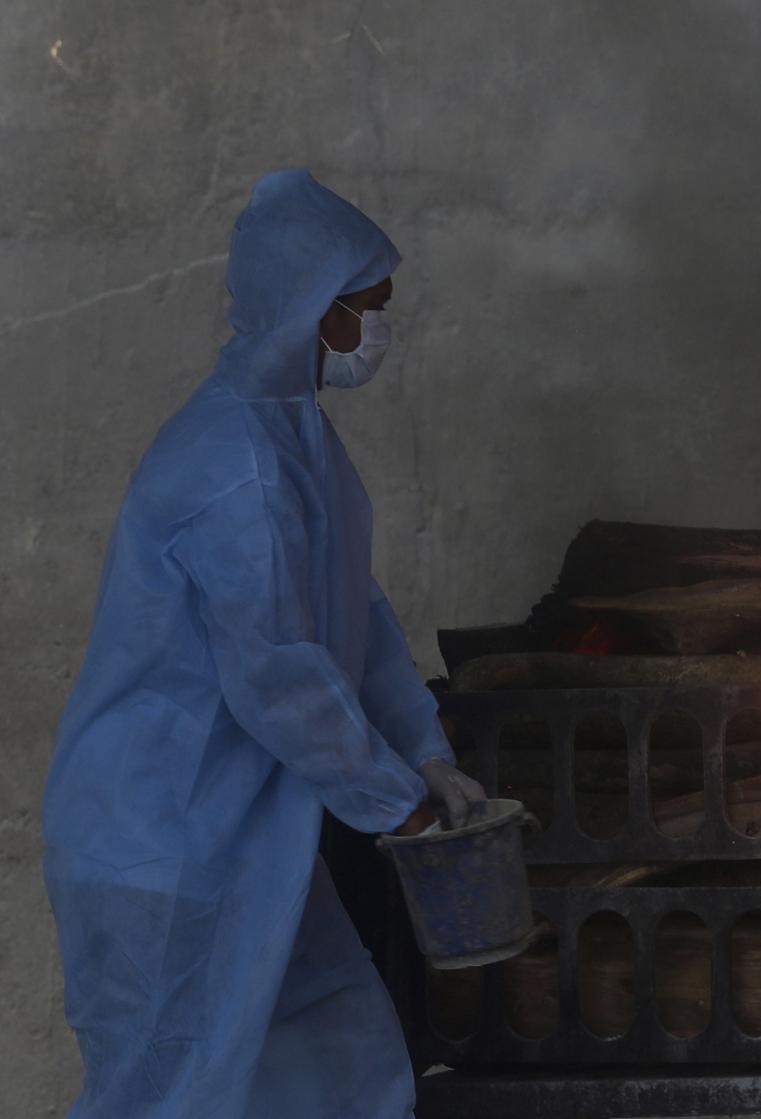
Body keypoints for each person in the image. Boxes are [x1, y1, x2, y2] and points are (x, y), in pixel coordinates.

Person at [41, 170, 485, 1119]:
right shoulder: (231, 464)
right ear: (314, 310)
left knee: (342, 1067)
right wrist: (392, 802)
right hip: (164, 847)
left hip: (249, 840)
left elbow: (354, 623)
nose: (379, 330)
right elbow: (279, 674)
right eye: (366, 308)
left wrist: (428, 755)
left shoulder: (297, 441)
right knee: (163, 1093)